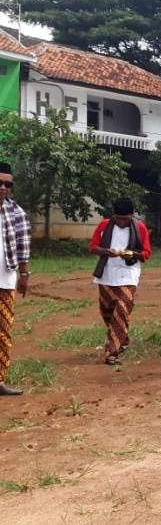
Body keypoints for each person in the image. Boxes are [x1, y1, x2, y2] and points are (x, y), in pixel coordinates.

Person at [88, 198, 152, 366]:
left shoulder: (140, 228)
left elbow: (146, 253)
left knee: (122, 309)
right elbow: (93, 247)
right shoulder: (104, 226)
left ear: (131, 216)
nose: (122, 222)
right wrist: (106, 251)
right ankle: (122, 339)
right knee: (107, 312)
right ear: (114, 216)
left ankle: (112, 352)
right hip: (106, 274)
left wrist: (132, 254)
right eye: (119, 218)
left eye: (126, 218)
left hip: (128, 274)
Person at [0, 162, 30, 396]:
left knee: (3, 332)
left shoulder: (16, 213)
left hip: (5, 281)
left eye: (7, 184)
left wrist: (24, 274)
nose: (3, 188)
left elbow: (23, 247)